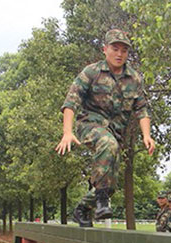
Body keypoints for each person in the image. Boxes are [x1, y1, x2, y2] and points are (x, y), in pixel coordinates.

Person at [55, 29, 155, 227]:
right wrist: (67, 132)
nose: (119, 54)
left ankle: (82, 209)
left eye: (124, 51)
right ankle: (101, 202)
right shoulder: (91, 72)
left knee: (111, 184)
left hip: (116, 133)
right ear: (105, 49)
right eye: (115, 49)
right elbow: (71, 102)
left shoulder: (134, 78)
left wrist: (147, 135)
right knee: (107, 145)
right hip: (90, 125)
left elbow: (142, 108)